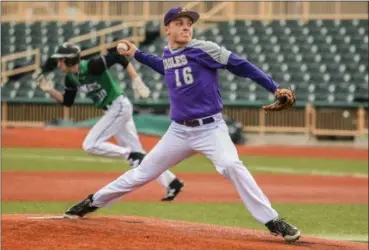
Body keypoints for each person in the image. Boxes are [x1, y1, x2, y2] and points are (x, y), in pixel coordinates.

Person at [63, 8, 300, 242]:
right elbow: (164, 66)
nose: (186, 26)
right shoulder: (168, 53)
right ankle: (92, 201)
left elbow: (242, 65)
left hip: (210, 128)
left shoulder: (204, 49)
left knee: (231, 165)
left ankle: (272, 220)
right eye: (179, 23)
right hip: (179, 131)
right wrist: (136, 53)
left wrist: (274, 88)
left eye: (189, 23)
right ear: (167, 29)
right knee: (142, 173)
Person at [36, 43, 184, 201]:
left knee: (90, 144)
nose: (58, 64)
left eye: (61, 60)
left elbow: (119, 57)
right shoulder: (70, 78)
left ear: (70, 60)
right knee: (139, 157)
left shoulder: (92, 65)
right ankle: (172, 183)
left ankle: (129, 153)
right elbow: (67, 101)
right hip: (114, 110)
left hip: (118, 106)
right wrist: (50, 90)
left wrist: (136, 78)